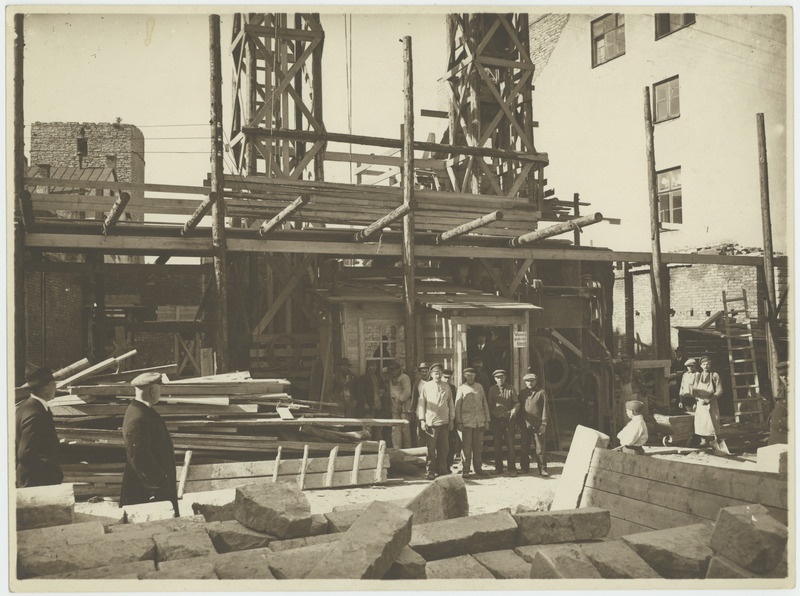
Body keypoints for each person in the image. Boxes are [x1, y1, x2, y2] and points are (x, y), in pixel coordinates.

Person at [120, 372, 179, 516]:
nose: (161, 392)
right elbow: (140, 457)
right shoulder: (137, 417)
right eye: (159, 388)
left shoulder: (143, 410)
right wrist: (161, 481)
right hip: (147, 492)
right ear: (152, 391)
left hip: (154, 487)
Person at [16, 367, 63, 488]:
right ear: (45, 388)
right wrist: (49, 471)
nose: (56, 387)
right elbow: (25, 454)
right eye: (53, 384)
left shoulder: (28, 406)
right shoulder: (35, 414)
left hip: (37, 480)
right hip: (35, 481)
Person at [417, 363, 454, 480]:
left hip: (444, 422)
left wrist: (451, 419)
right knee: (431, 449)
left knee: (444, 449)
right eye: (436, 373)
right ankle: (431, 471)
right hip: (431, 423)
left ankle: (442, 470)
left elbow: (451, 404)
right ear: (431, 374)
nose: (438, 376)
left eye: (440, 373)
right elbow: (421, 404)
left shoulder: (446, 386)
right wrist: (422, 420)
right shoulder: (426, 386)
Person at [454, 367, 490, 478]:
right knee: (466, 447)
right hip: (466, 422)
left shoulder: (480, 387)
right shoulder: (462, 388)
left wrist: (486, 420)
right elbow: (457, 407)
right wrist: (459, 422)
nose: (470, 377)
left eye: (472, 375)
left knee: (478, 447)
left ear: (475, 376)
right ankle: (465, 469)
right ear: (465, 376)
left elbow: (484, 403)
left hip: (479, 421)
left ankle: (478, 468)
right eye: (468, 375)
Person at [516, 373, 549, 476]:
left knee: (540, 448)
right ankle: (524, 468)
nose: (530, 383)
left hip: (537, 425)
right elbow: (519, 410)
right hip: (525, 425)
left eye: (532, 381)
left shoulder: (541, 393)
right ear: (525, 382)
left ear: (535, 381)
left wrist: (544, 423)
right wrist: (518, 423)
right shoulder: (521, 393)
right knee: (524, 447)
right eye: (527, 381)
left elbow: (545, 408)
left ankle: (542, 469)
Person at [487, 369, 518, 476]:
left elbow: (516, 403)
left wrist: (514, 410)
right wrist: (490, 419)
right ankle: (498, 468)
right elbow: (489, 405)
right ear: (495, 379)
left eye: (502, 377)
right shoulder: (492, 390)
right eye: (498, 377)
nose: (500, 379)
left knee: (510, 445)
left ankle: (512, 469)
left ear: (505, 378)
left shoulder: (511, 388)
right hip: (496, 420)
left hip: (508, 420)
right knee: (497, 444)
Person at [354, 360, 390, 441]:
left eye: (375, 366)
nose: (373, 368)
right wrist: (364, 403)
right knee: (367, 427)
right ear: (367, 367)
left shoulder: (378, 377)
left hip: (379, 406)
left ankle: (378, 445)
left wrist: (383, 390)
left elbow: (384, 388)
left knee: (379, 427)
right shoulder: (363, 378)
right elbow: (360, 392)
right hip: (369, 406)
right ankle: (367, 445)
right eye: (371, 366)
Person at [692, 356, 722, 446]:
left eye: (708, 364)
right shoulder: (698, 376)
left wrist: (710, 399)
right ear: (701, 366)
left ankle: (716, 441)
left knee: (714, 420)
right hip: (700, 402)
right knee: (702, 422)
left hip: (711, 401)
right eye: (704, 364)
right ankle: (703, 440)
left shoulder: (714, 375)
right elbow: (694, 390)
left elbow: (720, 390)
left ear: (710, 365)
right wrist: (698, 399)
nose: (706, 366)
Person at [386, 361, 412, 449]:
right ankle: (397, 449)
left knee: (405, 430)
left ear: (399, 369)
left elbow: (407, 392)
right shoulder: (391, 378)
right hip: (394, 407)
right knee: (395, 430)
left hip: (404, 408)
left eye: (395, 370)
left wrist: (399, 402)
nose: (393, 372)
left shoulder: (404, 377)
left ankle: (407, 450)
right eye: (391, 370)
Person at [442, 368, 461, 472]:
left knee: (451, 443)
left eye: (449, 378)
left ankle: (448, 465)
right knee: (441, 444)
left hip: (451, 419)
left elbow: (456, 405)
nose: (447, 380)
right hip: (440, 419)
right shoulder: (438, 387)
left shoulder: (454, 389)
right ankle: (440, 466)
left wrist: (454, 420)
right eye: (445, 377)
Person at [410, 362, 431, 447]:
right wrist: (412, 411)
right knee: (420, 432)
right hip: (420, 410)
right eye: (422, 371)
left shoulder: (433, 382)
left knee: (431, 431)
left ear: (429, 372)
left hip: (431, 410)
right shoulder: (417, 383)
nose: (424, 373)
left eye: (426, 371)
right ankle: (421, 449)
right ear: (420, 372)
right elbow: (414, 398)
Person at [769, 361, 789, 445]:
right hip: (775, 436)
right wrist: (771, 419)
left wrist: (781, 422)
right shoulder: (782, 389)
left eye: (787, 374)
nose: (784, 377)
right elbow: (778, 407)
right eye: (781, 375)